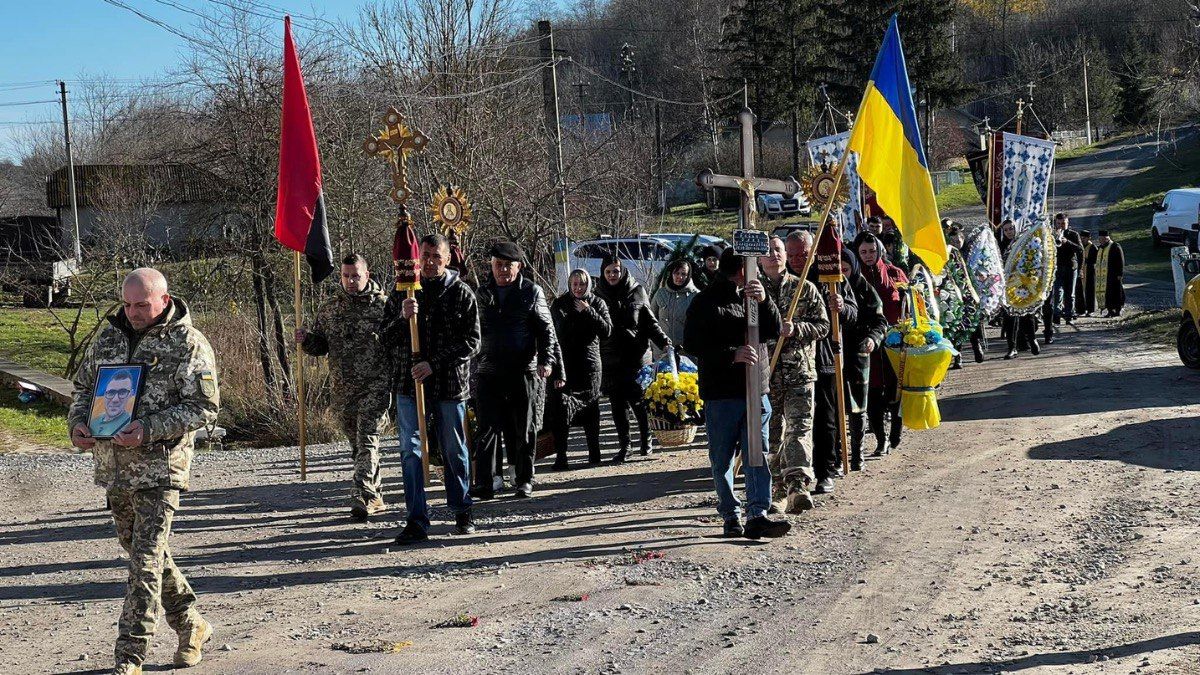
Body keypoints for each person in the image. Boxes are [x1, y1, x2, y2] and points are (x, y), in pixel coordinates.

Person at [69, 268, 219, 675]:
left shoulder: (187, 344)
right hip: (115, 468)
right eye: (128, 304)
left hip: (161, 467)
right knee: (142, 553)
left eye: (142, 305)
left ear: (164, 300)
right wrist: (79, 425)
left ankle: (130, 656)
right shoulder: (109, 338)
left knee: (145, 561)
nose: (133, 312)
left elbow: (204, 408)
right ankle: (192, 624)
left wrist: (149, 429)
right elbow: (83, 390)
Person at [683, 248, 791, 540]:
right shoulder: (705, 302)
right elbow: (692, 344)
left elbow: (772, 330)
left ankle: (758, 513)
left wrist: (765, 301)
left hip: (756, 389)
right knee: (723, 458)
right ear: (743, 269)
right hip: (722, 394)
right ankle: (731, 515)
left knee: (757, 453)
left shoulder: (753, 297)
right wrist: (731, 354)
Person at [385, 234, 481, 544]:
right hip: (408, 383)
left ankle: (462, 509)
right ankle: (416, 520)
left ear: (447, 258)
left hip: (449, 384)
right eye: (424, 255)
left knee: (454, 448)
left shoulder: (462, 293)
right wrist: (403, 318)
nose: (429, 262)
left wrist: (434, 363)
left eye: (435, 256)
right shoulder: (403, 291)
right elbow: (383, 338)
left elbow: (472, 342)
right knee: (410, 453)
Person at [298, 254, 391, 521]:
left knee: (368, 440)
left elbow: (397, 342)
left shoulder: (383, 306)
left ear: (367, 274)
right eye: (346, 276)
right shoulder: (330, 308)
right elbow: (321, 345)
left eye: (356, 276)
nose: (351, 281)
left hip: (376, 386)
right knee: (358, 446)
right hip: (343, 389)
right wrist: (306, 340)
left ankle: (361, 495)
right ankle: (375, 494)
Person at [473, 241, 559, 499]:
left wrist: (546, 360)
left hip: (523, 369)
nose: (502, 270)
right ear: (491, 265)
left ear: (518, 266)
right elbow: (473, 329)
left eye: (507, 266)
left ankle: (524, 479)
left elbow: (546, 330)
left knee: (524, 427)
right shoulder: (482, 293)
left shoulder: (531, 292)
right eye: (498, 265)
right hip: (488, 369)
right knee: (487, 428)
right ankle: (486, 482)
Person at [787, 232, 858, 495]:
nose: (796, 260)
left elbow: (853, 312)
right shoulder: (782, 279)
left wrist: (841, 306)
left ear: (813, 252)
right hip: (790, 362)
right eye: (791, 254)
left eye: (802, 254)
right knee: (795, 421)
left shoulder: (830, 275)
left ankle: (825, 470)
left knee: (825, 420)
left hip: (824, 358)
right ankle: (794, 473)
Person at [762, 234, 829, 513]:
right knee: (773, 433)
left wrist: (797, 329)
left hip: (800, 372)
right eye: (769, 251)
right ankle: (776, 489)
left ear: (786, 256)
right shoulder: (753, 293)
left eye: (778, 250)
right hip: (767, 374)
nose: (774, 255)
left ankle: (798, 485)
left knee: (800, 429)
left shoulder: (805, 288)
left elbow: (823, 325)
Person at [595, 255, 670, 463]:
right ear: (603, 273)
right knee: (617, 404)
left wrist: (663, 340)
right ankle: (624, 445)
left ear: (622, 271)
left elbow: (649, 322)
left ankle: (646, 440)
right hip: (610, 357)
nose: (612, 275)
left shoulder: (636, 291)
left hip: (636, 355)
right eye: (608, 272)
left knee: (638, 402)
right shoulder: (597, 295)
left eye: (616, 271)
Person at [548, 268, 613, 469]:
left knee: (591, 409)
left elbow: (606, 331)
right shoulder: (559, 304)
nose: (578, 288)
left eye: (582, 284)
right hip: (566, 364)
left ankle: (594, 452)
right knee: (561, 409)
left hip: (590, 365)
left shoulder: (597, 302)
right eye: (575, 284)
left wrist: (589, 312)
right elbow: (554, 334)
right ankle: (561, 455)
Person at [854, 232, 909, 457]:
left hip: (896, 343)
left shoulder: (895, 273)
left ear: (879, 250)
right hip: (868, 343)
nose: (868, 256)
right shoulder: (853, 278)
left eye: (872, 251)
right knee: (874, 393)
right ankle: (880, 438)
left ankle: (895, 431)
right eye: (864, 252)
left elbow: (912, 306)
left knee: (897, 390)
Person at [838, 247, 888, 470]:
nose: (841, 274)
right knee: (835, 406)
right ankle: (838, 453)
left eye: (845, 269)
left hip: (858, 353)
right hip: (833, 353)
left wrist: (872, 339)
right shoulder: (824, 287)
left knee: (857, 407)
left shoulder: (863, 288)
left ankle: (857, 454)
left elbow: (880, 321)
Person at [998, 219, 1040, 359]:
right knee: (1010, 317)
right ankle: (1012, 347)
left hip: (1023, 283)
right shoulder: (1000, 246)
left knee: (1027, 313)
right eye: (1006, 230)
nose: (1009, 232)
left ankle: (1032, 339)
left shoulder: (1023, 243)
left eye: (1011, 228)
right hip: (1007, 286)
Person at [1044, 213, 1084, 342]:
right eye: (1059, 223)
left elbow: (1080, 249)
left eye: (1064, 223)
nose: (1061, 225)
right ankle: (1056, 314)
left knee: (1070, 293)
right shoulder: (1051, 234)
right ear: (1055, 223)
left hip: (1071, 266)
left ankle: (1069, 314)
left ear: (1067, 223)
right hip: (1057, 267)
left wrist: (1068, 242)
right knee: (1057, 291)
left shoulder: (1073, 234)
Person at [650, 258, 699, 353]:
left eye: (683, 274)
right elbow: (651, 320)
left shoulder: (696, 296)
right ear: (672, 274)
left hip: (686, 352)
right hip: (662, 350)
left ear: (688, 275)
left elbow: (700, 325)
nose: (679, 277)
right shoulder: (661, 293)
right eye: (677, 273)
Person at [92, 369, 136, 437]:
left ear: (130, 395)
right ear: (104, 394)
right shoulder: (93, 423)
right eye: (111, 392)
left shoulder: (132, 425)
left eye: (122, 392)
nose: (115, 400)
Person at [1092, 230, 1126, 317]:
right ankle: (1110, 310)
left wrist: (1120, 274)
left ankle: (1118, 310)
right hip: (1103, 276)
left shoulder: (1115, 246)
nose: (1100, 241)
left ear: (1107, 238)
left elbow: (1121, 261)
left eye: (1101, 239)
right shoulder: (1100, 248)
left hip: (1114, 275)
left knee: (1116, 293)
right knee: (1106, 293)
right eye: (1099, 239)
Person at [1076, 230, 1096, 317]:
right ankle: (1080, 310)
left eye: (1084, 238)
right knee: (1079, 291)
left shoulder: (1093, 247)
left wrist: (1087, 260)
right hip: (1080, 271)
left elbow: (1095, 260)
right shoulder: (1079, 246)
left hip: (1089, 273)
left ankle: (1090, 310)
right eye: (1081, 238)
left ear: (1089, 238)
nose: (1082, 239)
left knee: (1090, 292)